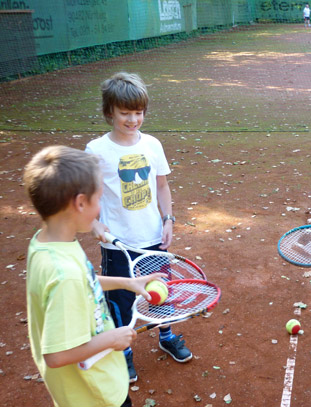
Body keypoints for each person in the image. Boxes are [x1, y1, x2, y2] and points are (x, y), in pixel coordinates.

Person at [24, 145, 166, 407]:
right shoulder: (63, 273)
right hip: (94, 394)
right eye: (99, 199)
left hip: (91, 383)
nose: (100, 208)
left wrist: (127, 282)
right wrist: (111, 339)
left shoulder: (49, 244)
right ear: (80, 203)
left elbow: (83, 280)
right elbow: (55, 354)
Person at [86, 72, 193, 383]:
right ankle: (125, 354)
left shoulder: (152, 144)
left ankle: (166, 335)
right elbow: (84, 193)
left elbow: (161, 185)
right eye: (125, 113)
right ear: (109, 112)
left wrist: (168, 219)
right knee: (120, 301)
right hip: (117, 244)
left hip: (153, 238)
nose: (133, 120)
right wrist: (94, 223)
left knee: (160, 292)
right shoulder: (96, 150)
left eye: (138, 113)